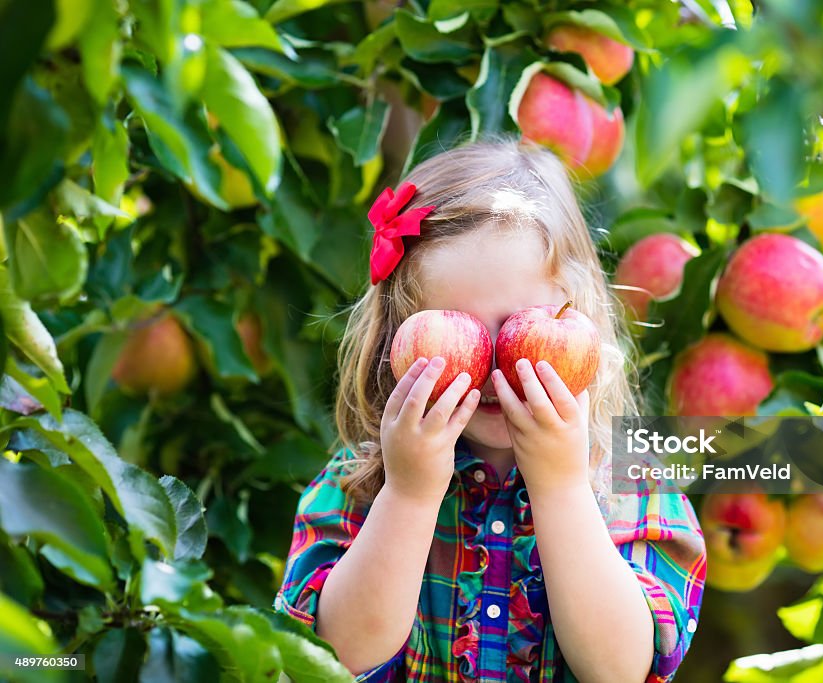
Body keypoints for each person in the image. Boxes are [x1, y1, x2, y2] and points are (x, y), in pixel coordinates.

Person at [273, 140, 706, 682]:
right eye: (463, 332)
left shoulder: (629, 482)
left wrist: (562, 489)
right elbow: (337, 658)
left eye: (524, 326)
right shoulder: (363, 480)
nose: (496, 368)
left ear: (579, 319)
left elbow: (619, 671)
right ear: (395, 340)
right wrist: (408, 495)